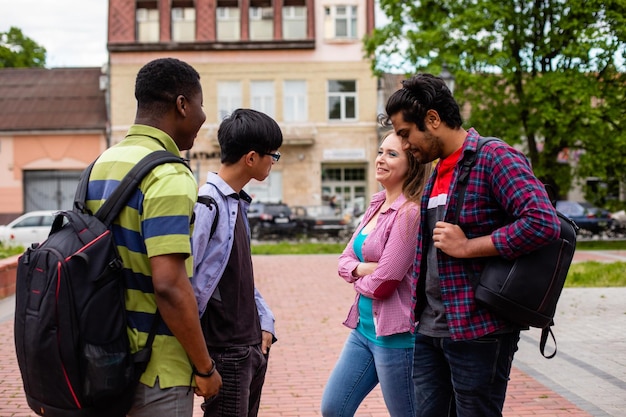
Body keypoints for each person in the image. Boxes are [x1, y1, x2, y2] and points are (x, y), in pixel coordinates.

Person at [383, 73, 560, 416]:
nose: (403, 144)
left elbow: (542, 222)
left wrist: (469, 247)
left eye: (406, 134)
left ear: (432, 119)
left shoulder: (495, 157)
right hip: (430, 328)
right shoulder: (437, 171)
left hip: (479, 331)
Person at [86, 57, 222, 417]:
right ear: (182, 105)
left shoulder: (100, 165)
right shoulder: (169, 174)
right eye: (201, 105)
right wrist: (204, 367)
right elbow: (169, 285)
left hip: (101, 360)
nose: (203, 116)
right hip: (156, 368)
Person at [321, 131, 431, 417]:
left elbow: (385, 284)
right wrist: (361, 268)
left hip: (396, 339)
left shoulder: (410, 213)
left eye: (392, 154)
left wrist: (359, 275)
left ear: (413, 164)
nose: (381, 159)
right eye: (381, 151)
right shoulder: (377, 204)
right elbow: (344, 259)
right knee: (334, 408)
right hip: (363, 330)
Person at [192, 108, 279, 417]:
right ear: (251, 158)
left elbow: (237, 275)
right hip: (225, 349)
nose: (274, 161)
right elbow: (188, 279)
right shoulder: (208, 203)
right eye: (273, 155)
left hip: (249, 345)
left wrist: (263, 321)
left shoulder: (236, 203)